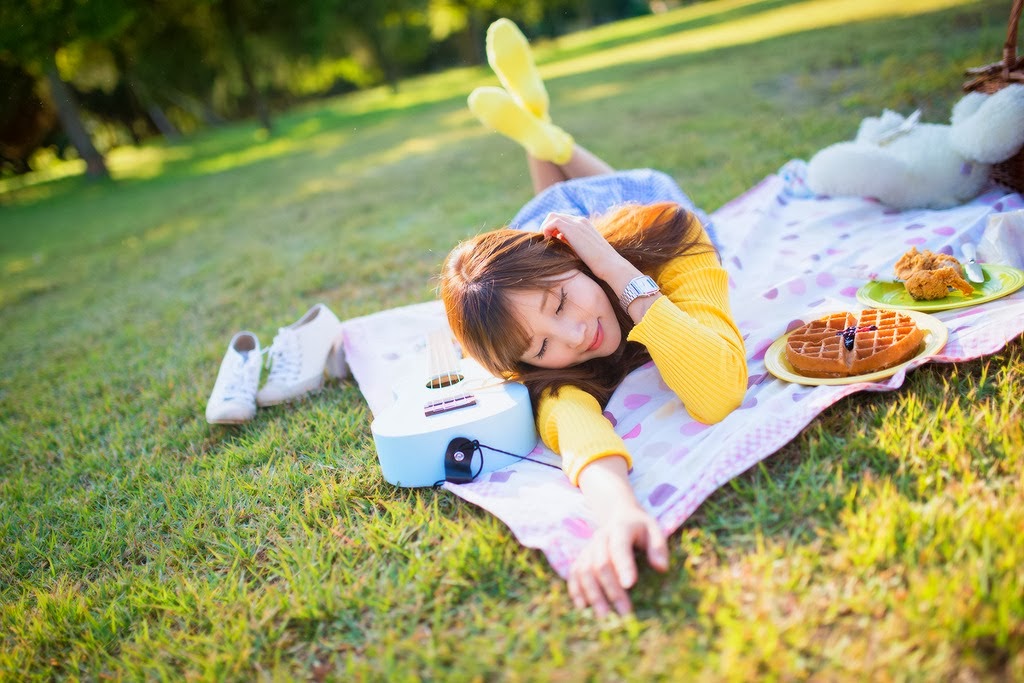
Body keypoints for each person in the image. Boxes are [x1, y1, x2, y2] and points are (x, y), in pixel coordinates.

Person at [439, 19, 748, 617]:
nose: (575, 335)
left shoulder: (671, 234)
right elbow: (575, 427)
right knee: (539, 234)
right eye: (540, 347)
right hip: (540, 255)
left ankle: (551, 142)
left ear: (576, 259)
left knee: (589, 199)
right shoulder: (537, 353)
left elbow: (719, 391)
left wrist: (613, 268)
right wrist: (619, 512)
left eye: (561, 305)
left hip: (624, 226)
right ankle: (536, 129)